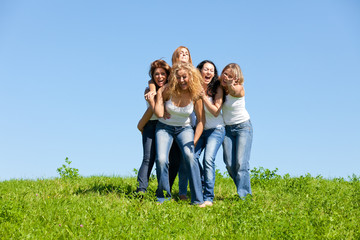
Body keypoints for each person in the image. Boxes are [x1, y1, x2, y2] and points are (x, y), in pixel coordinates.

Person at [153, 62, 205, 206]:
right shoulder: (168, 90)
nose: (182, 80)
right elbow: (158, 113)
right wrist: (158, 94)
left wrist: (194, 141)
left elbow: (201, 121)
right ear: (175, 78)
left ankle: (197, 200)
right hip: (164, 127)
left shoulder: (195, 95)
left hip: (185, 128)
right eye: (179, 77)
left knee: (190, 156)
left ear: (191, 77)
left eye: (185, 77)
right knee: (162, 159)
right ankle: (163, 197)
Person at [136, 59, 181, 193]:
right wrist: (152, 98)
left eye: (163, 74)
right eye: (156, 74)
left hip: (168, 125)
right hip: (151, 124)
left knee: (172, 160)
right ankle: (141, 189)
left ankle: (165, 189)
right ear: (152, 76)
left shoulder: (170, 89)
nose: (160, 77)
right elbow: (154, 111)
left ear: (167, 75)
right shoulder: (148, 90)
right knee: (148, 158)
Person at [193, 60, 226, 206]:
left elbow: (216, 110)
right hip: (200, 129)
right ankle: (199, 187)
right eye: (206, 69)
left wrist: (204, 97)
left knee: (208, 159)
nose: (209, 72)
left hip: (216, 130)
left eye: (211, 70)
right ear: (199, 71)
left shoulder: (217, 88)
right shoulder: (194, 87)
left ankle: (208, 197)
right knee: (191, 156)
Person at [219, 63, 253, 199]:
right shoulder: (220, 87)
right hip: (227, 129)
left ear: (236, 78)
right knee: (229, 163)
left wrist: (230, 85)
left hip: (243, 127)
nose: (226, 77)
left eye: (230, 76)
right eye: (224, 73)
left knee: (241, 163)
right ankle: (242, 188)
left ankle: (245, 196)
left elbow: (234, 92)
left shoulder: (239, 88)